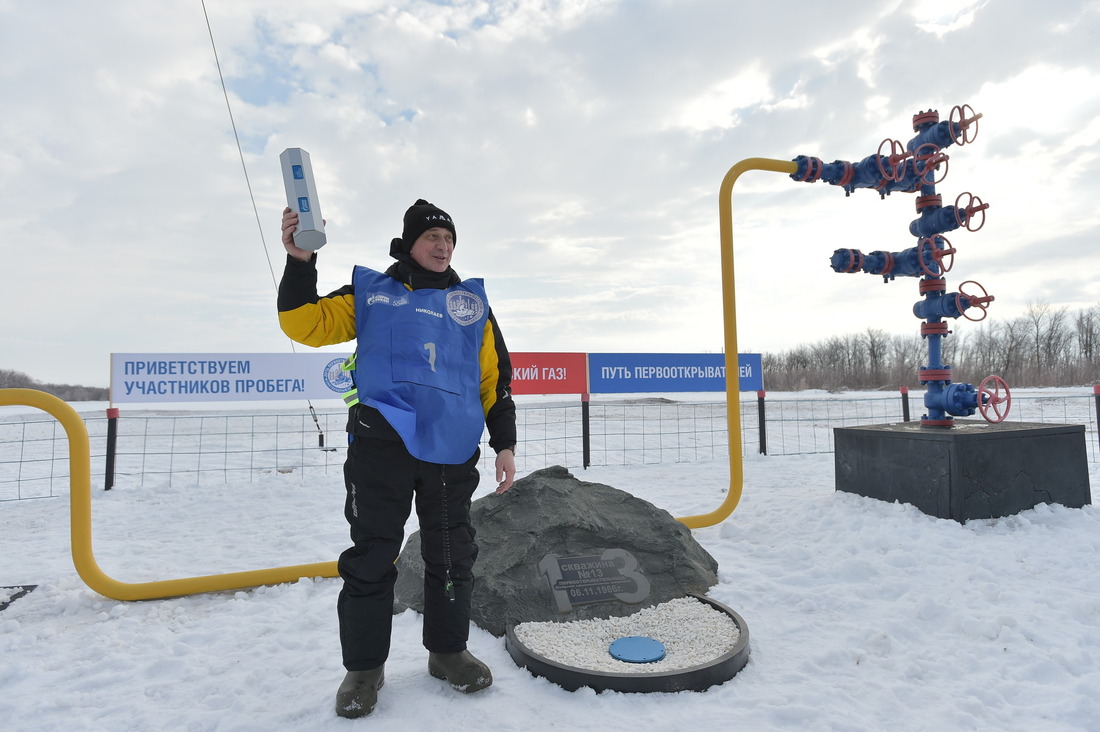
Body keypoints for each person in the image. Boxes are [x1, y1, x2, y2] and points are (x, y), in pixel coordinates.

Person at [277, 199, 517, 718]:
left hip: (450, 450)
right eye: (432, 237)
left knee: (452, 553)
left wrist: (504, 443)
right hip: (380, 447)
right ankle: (364, 669)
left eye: (449, 239)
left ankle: (448, 653)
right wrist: (300, 262)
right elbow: (303, 322)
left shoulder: (470, 303)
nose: (442, 246)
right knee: (371, 557)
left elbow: (493, 378)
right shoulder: (373, 293)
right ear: (410, 242)